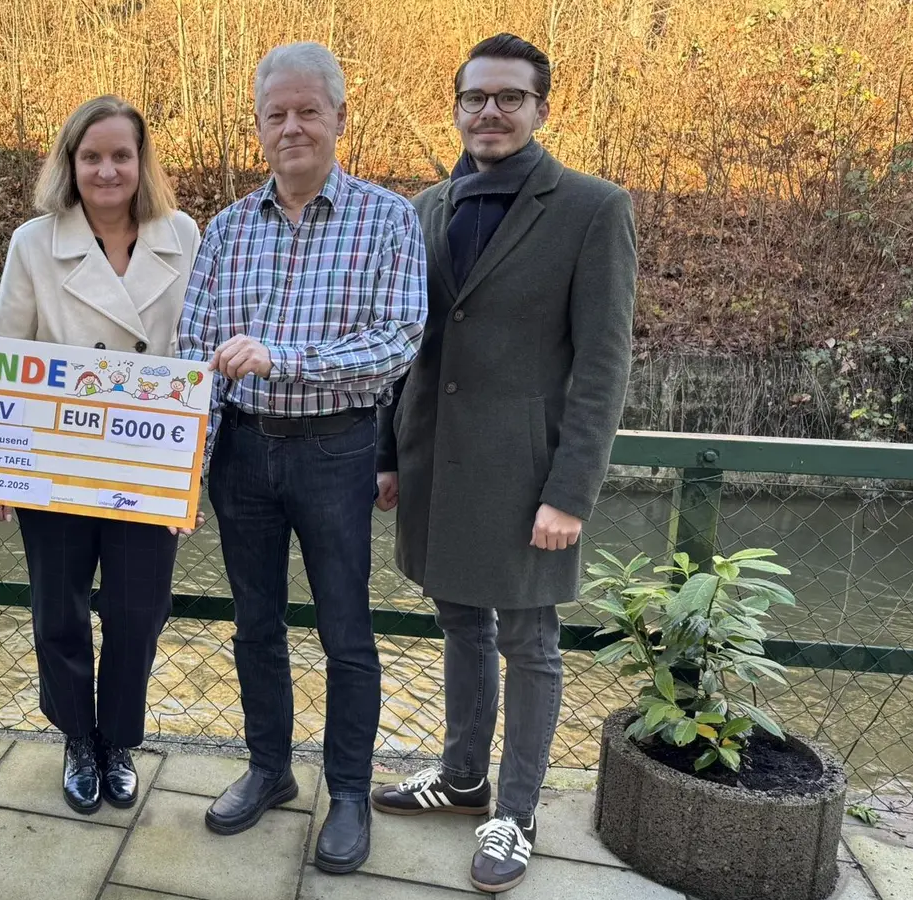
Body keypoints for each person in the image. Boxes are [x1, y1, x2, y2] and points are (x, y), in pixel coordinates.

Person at [370, 34, 637, 894]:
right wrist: (387, 454)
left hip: (528, 476)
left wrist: (572, 492)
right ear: (457, 107)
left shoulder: (593, 209)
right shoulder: (425, 207)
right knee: (460, 623)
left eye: (509, 98)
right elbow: (403, 344)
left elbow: (604, 363)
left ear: (540, 109)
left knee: (530, 639)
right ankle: (460, 776)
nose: (491, 111)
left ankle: (515, 813)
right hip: (436, 464)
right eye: (476, 97)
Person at [176, 42, 428, 874]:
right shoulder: (225, 229)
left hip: (336, 449)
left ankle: (349, 791)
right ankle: (270, 769)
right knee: (256, 626)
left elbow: (397, 344)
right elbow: (195, 356)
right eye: (275, 114)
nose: (292, 127)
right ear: (258, 127)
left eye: (307, 111)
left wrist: (286, 357)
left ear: (339, 119)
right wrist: (182, 474)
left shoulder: (388, 218)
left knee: (346, 629)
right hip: (242, 455)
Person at [0, 95, 202, 814]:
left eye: (121, 154)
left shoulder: (184, 236)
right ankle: (78, 738)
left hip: (147, 467)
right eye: (92, 156)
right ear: (70, 164)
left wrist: (188, 476)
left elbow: (194, 363)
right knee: (59, 609)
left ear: (143, 163)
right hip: (55, 462)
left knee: (140, 611)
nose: (107, 169)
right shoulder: (33, 243)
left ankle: (119, 740)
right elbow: (7, 358)